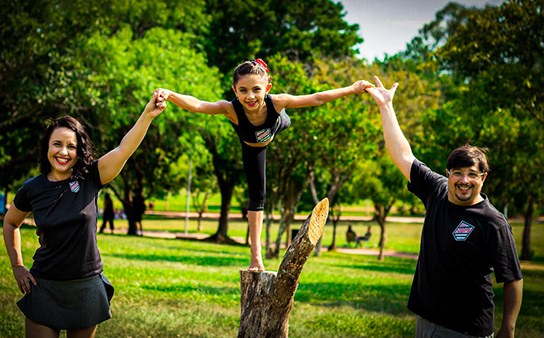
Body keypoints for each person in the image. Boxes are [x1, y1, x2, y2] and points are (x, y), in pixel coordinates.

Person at [156, 59, 372, 271]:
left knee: (285, 118)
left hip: (277, 125)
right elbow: (199, 105)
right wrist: (170, 94)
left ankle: (281, 118)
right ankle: (255, 254)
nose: (250, 96)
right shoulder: (230, 109)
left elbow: (316, 99)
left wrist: (352, 89)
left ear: (267, 88)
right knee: (257, 195)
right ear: (235, 90)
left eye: (256, 90)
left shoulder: (276, 101)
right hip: (252, 147)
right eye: (243, 90)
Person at [366, 76, 523, 337]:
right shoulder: (437, 190)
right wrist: (386, 106)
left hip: (465, 330)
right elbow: (403, 155)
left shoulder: (493, 222)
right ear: (448, 173)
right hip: (425, 323)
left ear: (483, 178)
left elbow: (512, 278)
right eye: (458, 173)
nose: (464, 180)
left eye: (472, 174)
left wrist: (508, 328)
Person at [2, 92, 166, 337]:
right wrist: (17, 266)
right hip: (44, 285)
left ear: (79, 151)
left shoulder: (91, 176)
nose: (64, 152)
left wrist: (147, 115)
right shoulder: (32, 188)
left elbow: (124, 150)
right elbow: (10, 222)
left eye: (71, 146)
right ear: (47, 146)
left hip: (86, 286)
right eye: (57, 144)